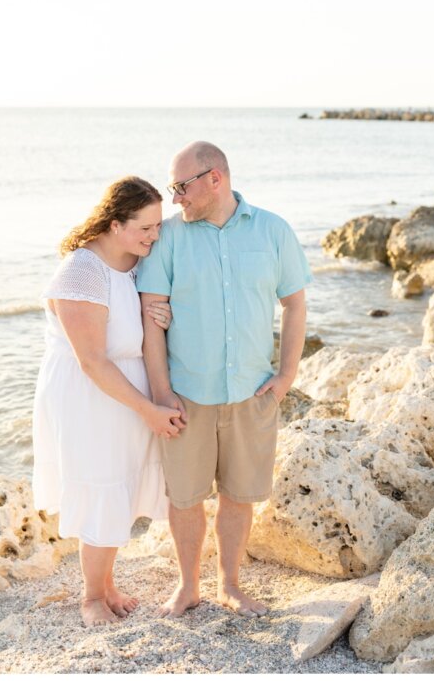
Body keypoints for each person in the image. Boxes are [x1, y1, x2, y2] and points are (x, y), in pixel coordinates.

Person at [137, 141, 311, 618]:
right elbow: (152, 320)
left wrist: (286, 376)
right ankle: (188, 586)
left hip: (252, 394)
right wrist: (160, 393)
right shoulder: (168, 237)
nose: (175, 199)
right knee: (186, 498)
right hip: (186, 395)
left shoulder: (273, 231)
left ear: (215, 178)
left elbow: (294, 304)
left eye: (181, 187)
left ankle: (230, 586)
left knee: (238, 496)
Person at [32, 176, 183, 628]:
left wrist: (165, 315)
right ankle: (92, 597)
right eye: (146, 228)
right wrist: (149, 410)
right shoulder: (81, 271)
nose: (155, 237)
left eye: (158, 227)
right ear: (115, 224)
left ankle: (109, 583)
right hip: (91, 396)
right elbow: (93, 362)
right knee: (101, 487)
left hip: (126, 389)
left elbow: (134, 323)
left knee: (119, 488)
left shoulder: (134, 262)